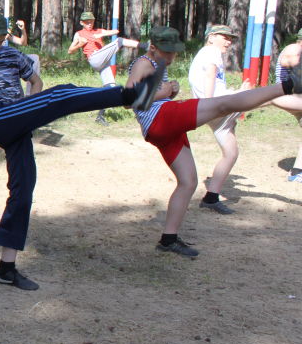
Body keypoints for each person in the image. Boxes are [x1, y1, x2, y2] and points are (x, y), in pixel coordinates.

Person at [0, 11, 166, 290]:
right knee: (62, 93)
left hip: (20, 121)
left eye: (1, 40)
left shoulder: (12, 55)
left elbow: (36, 82)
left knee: (22, 189)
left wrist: (31, 109)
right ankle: (130, 95)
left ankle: (6, 268)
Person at [126, 26, 301, 258]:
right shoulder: (144, 63)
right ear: (153, 48)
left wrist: (169, 91)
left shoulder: (157, 64)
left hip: (162, 128)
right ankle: (288, 86)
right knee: (224, 104)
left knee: (188, 182)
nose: (171, 57)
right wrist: (164, 92)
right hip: (161, 119)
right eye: (166, 52)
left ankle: (168, 240)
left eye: (174, 52)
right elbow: (129, 100)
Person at [188, 24, 243, 213]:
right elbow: (210, 75)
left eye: (230, 39)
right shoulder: (212, 51)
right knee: (271, 97)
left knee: (231, 153)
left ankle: (211, 198)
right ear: (211, 37)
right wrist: (210, 103)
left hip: (215, 108)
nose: (228, 42)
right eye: (224, 37)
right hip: (218, 105)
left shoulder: (204, 53)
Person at [67, 11, 140, 124]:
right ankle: (146, 46)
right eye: (87, 22)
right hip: (95, 58)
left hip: (103, 61)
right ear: (82, 23)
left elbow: (116, 31)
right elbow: (70, 51)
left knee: (111, 88)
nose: (89, 24)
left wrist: (101, 34)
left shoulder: (98, 31)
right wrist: (80, 44)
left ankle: (100, 116)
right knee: (119, 41)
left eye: (91, 21)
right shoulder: (79, 34)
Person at [271, 28, 302, 182]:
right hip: (289, 96)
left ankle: (297, 171)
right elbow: (287, 62)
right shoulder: (294, 48)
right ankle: (296, 172)